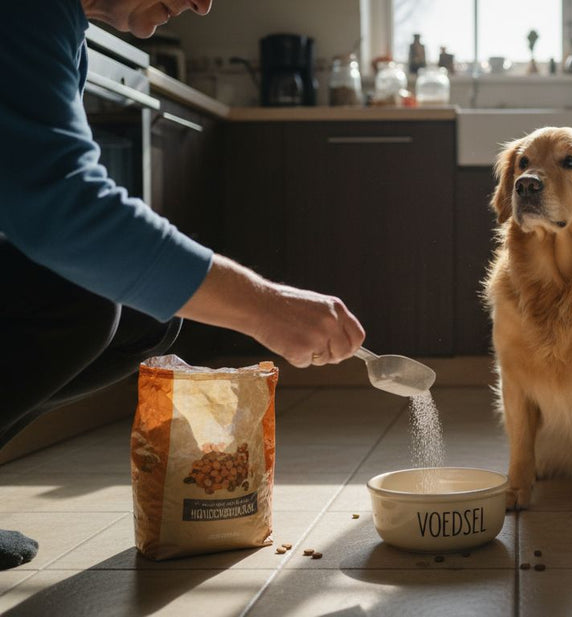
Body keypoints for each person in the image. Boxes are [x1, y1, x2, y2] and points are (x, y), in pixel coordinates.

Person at [0, 0, 367, 569]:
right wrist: (264, 309)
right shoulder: (26, 13)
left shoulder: (63, 25)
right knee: (83, 298)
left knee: (148, 316)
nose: (203, 4)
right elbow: (59, 205)